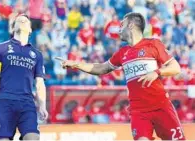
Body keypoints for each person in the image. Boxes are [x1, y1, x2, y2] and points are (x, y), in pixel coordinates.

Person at [61, 12, 185, 140]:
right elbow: (102, 68)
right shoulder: (122, 53)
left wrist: (156, 72)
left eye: (121, 25)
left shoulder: (153, 44)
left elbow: (175, 68)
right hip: (138, 111)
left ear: (131, 25)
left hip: (161, 105)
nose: (118, 29)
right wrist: (76, 64)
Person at [0, 14, 48, 140]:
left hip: (27, 103)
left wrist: (42, 105)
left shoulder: (37, 55)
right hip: (4, 102)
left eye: (25, 20)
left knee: (33, 138)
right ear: (13, 28)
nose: (22, 20)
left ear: (30, 30)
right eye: (19, 20)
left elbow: (40, 84)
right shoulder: (0, 49)